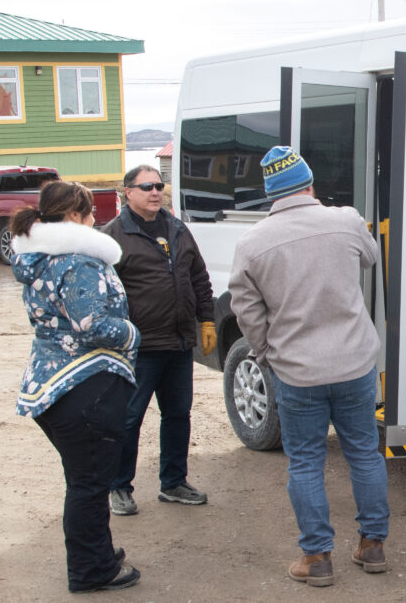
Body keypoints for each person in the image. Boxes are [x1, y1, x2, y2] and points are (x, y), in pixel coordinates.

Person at [229, 146, 389, 587]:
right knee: (364, 454)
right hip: (354, 363)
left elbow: (246, 311)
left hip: (297, 371)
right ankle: (373, 545)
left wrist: (266, 352)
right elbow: (370, 258)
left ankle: (317, 556)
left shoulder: (251, 244)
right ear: (309, 184)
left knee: (305, 463)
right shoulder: (347, 221)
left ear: (270, 193)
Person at [10, 181, 142, 592]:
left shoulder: (41, 258)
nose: (95, 220)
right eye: (90, 213)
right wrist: (132, 333)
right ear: (73, 216)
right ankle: (90, 571)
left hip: (53, 385)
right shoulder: (78, 262)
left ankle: (97, 555)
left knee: (86, 480)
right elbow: (92, 325)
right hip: (84, 386)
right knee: (89, 484)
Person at [102, 165, 216, 516]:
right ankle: (119, 487)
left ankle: (174, 483)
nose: (155, 192)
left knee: (178, 415)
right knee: (128, 419)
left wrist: (207, 318)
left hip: (179, 344)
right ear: (128, 192)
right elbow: (104, 293)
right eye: (147, 186)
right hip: (139, 348)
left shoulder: (177, 229)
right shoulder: (113, 236)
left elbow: (198, 276)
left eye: (159, 185)